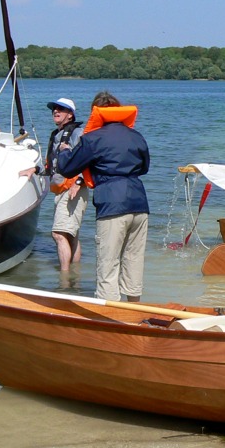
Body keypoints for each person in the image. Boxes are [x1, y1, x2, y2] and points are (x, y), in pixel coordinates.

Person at [56, 91, 150, 302]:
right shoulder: (136, 135)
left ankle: (110, 315)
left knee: (108, 262)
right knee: (134, 259)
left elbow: (67, 168)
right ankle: (134, 308)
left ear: (95, 113)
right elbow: (145, 167)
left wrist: (64, 150)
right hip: (139, 202)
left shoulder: (92, 139)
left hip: (112, 204)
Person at [21, 97, 89, 272]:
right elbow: (53, 165)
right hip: (61, 189)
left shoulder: (77, 133)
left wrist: (79, 183)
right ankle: (74, 276)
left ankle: (64, 278)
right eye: (54, 109)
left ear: (70, 115)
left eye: (61, 109)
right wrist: (35, 170)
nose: (56, 111)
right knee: (70, 235)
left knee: (58, 234)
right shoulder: (56, 134)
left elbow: (86, 159)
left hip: (73, 188)